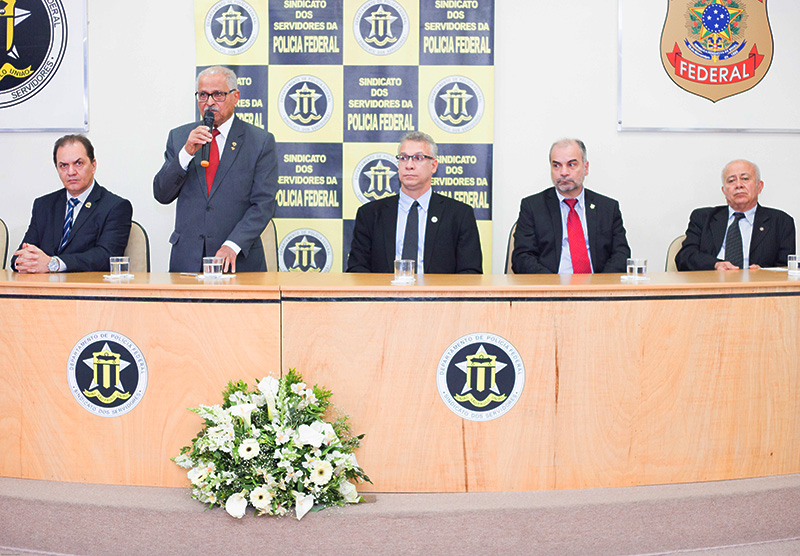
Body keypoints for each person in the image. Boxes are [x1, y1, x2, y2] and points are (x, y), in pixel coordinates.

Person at [153, 66, 278, 273]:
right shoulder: (180, 137)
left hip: (238, 261)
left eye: (218, 94)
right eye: (203, 95)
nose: (209, 102)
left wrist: (233, 245)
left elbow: (263, 204)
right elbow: (162, 194)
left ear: (235, 97)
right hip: (188, 261)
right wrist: (186, 153)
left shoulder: (260, 142)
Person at [346, 131, 482, 274]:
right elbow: (357, 269)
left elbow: (470, 272)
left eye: (418, 158)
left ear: (433, 166)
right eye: (403, 158)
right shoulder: (370, 214)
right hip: (385, 289)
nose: (409, 165)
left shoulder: (459, 214)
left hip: (438, 289)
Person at [11, 135, 132, 273]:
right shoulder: (43, 205)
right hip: (44, 284)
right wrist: (25, 260)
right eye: (63, 165)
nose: (71, 172)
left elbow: (106, 256)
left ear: (93, 165)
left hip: (86, 285)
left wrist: (54, 264)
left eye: (78, 163)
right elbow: (18, 258)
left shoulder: (115, 207)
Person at [511, 139, 630, 274]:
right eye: (556, 165)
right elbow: (522, 258)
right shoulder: (532, 207)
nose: (563, 172)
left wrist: (600, 284)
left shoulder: (607, 208)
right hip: (551, 284)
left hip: (597, 284)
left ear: (585, 168)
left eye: (571, 165)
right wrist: (552, 283)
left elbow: (621, 254)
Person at [675, 159, 795, 271]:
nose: (738, 185)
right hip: (712, 283)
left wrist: (764, 273)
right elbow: (684, 257)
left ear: (759, 186)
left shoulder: (781, 221)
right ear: (724, 191)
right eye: (731, 181)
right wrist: (715, 264)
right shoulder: (702, 218)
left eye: (745, 179)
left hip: (758, 285)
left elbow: (786, 267)